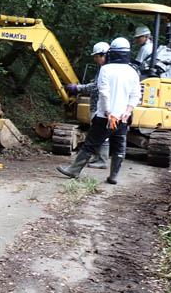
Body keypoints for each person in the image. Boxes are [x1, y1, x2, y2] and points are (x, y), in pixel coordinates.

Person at [57, 37, 141, 185]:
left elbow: (104, 92)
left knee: (90, 144)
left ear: (111, 53)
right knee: (119, 146)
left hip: (105, 117)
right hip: (123, 118)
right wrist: (127, 112)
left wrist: (109, 112)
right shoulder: (133, 71)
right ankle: (113, 176)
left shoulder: (106, 69)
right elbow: (135, 95)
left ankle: (74, 170)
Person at [65, 41, 110, 169]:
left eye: (97, 57)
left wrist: (77, 88)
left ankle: (100, 160)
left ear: (104, 55)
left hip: (101, 107)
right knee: (101, 135)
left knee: (100, 135)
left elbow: (95, 87)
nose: (95, 59)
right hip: (99, 105)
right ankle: (99, 158)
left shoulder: (106, 70)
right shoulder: (105, 69)